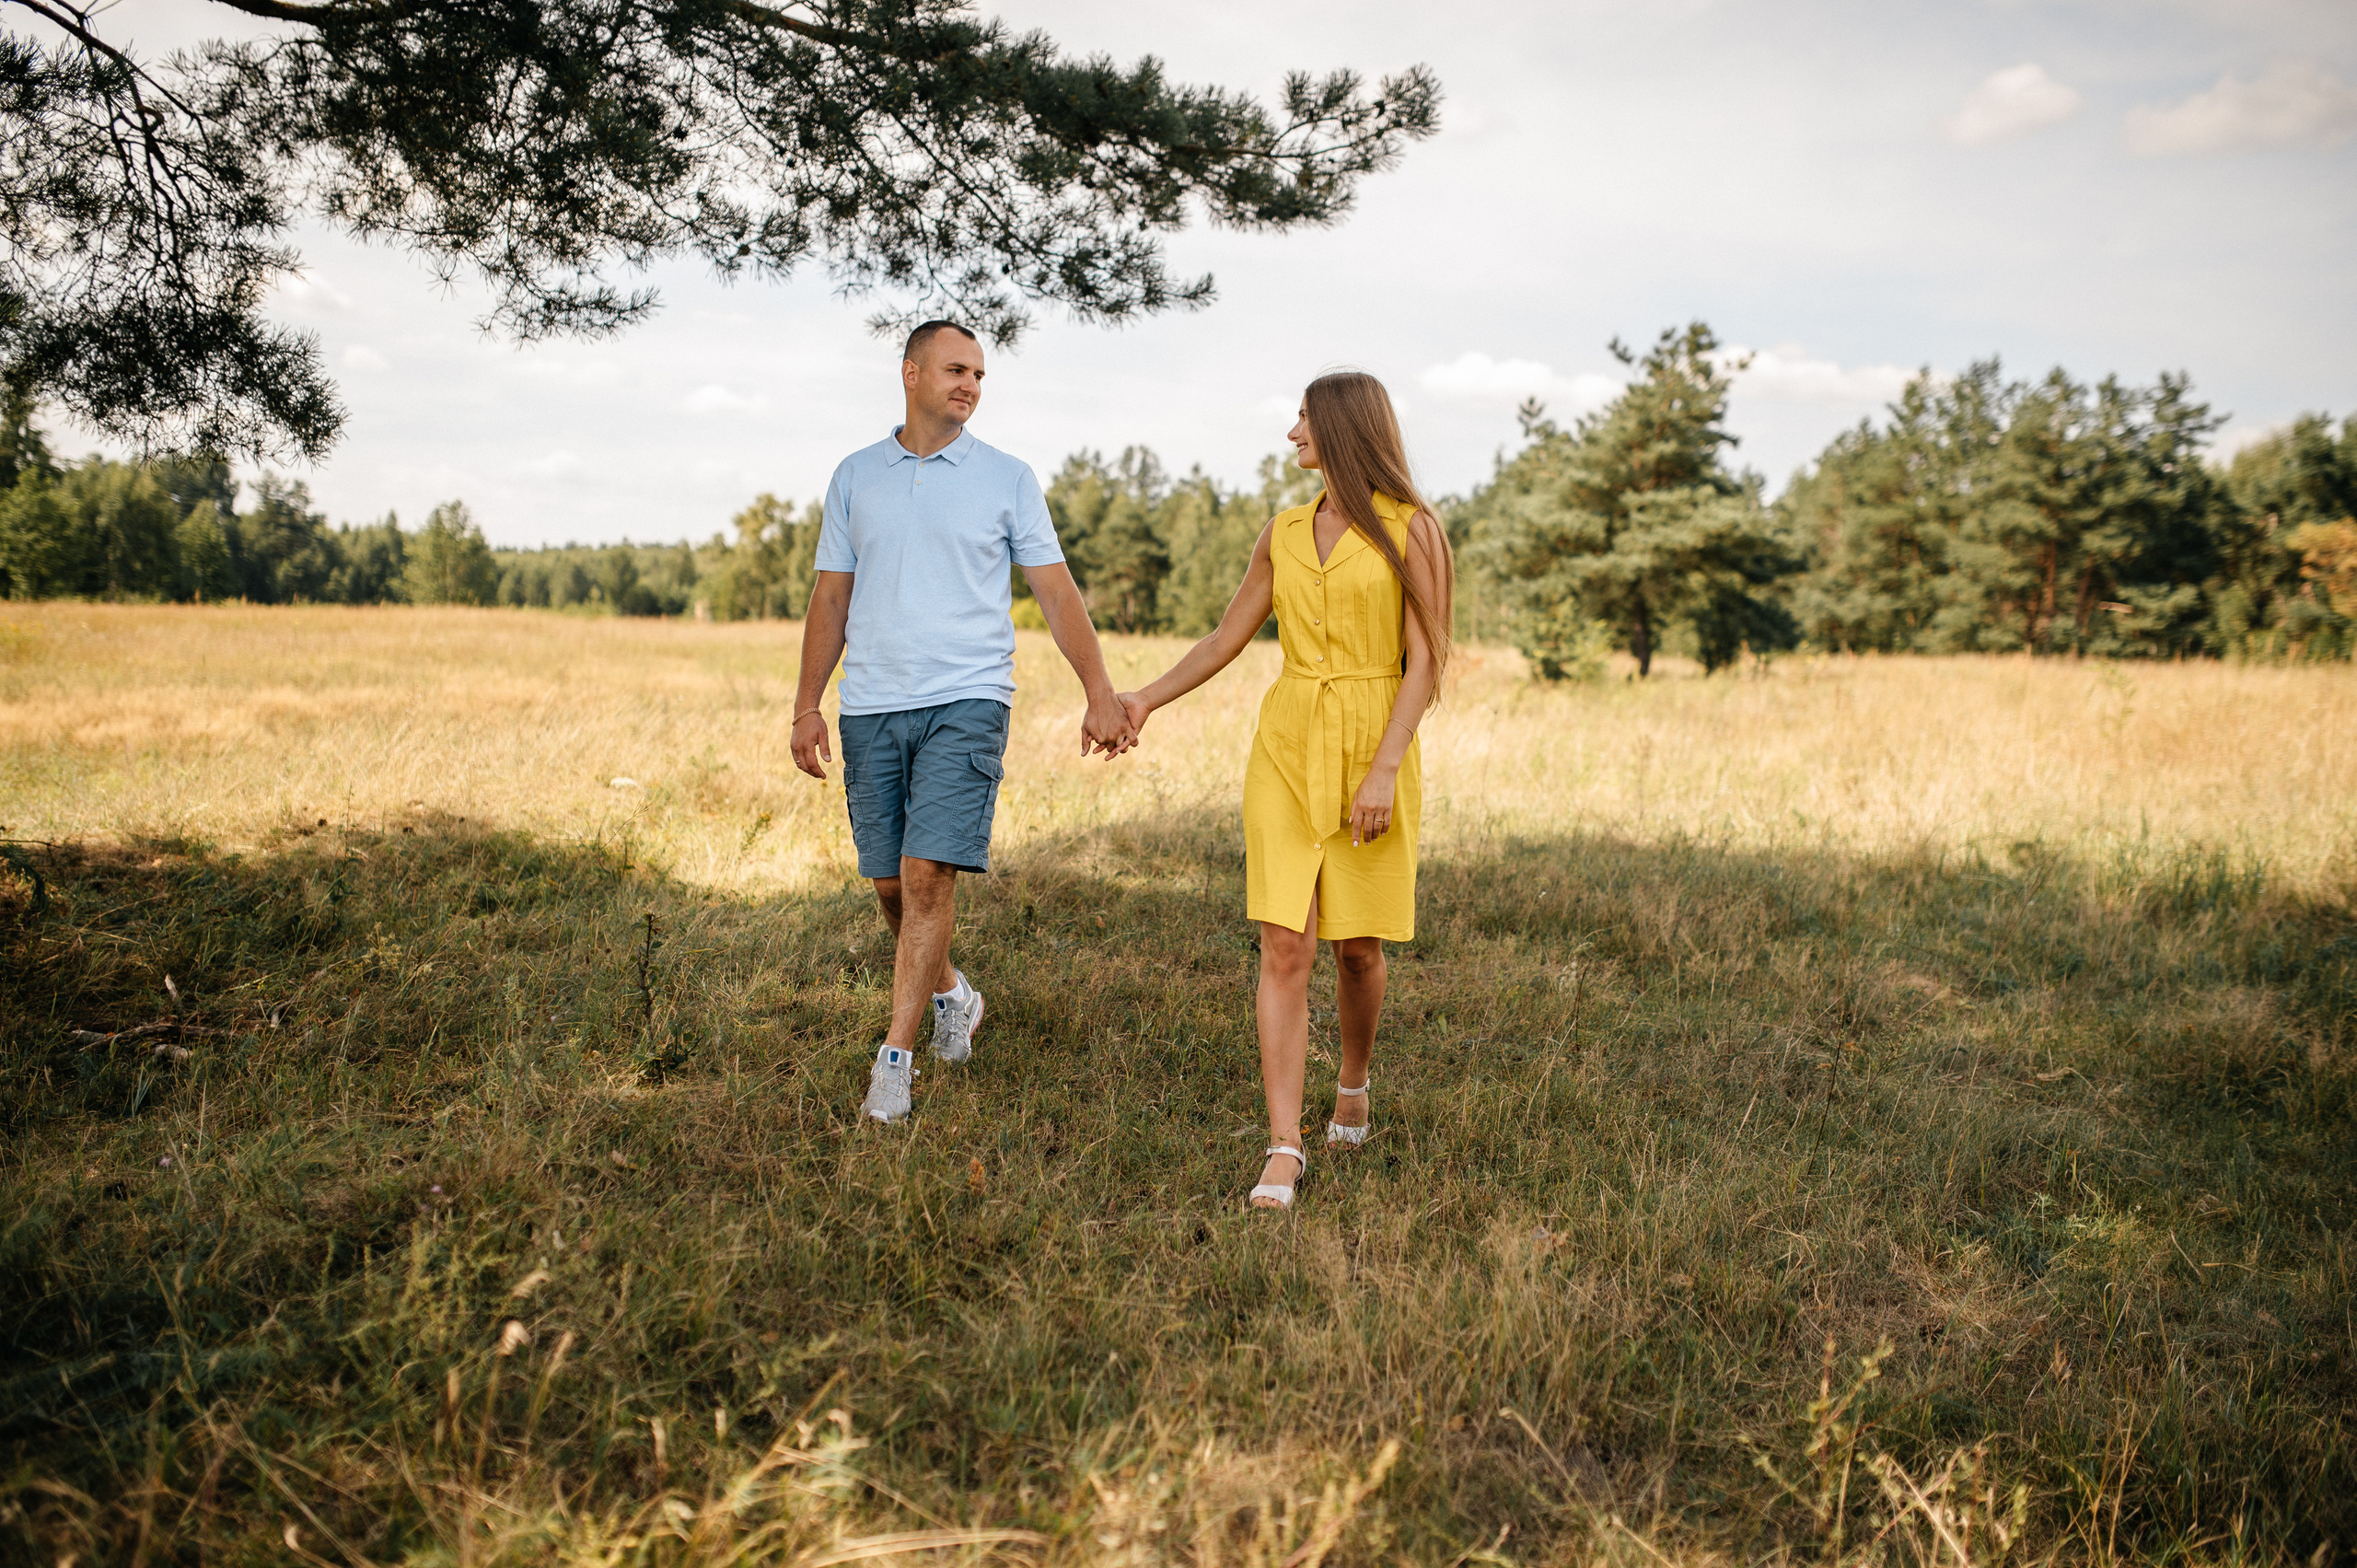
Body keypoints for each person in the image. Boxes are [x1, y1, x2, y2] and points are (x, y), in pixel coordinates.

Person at [1118, 371, 1453, 1209]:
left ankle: (1354, 1079)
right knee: (1284, 944)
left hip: (1376, 740)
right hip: (1287, 743)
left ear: (1342, 427)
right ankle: (1284, 1144)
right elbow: (1226, 637)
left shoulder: (1415, 533)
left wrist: (1383, 765)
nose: (1290, 431)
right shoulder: (1284, 532)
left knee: (1359, 948)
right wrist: (1143, 701)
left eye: (1303, 418)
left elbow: (1427, 663)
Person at [792, 320, 1135, 1123]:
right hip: (873, 702)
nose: (971, 385)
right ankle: (953, 992)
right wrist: (809, 702)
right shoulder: (854, 476)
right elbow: (831, 597)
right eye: (956, 370)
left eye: (980, 374)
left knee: (926, 877)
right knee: (889, 885)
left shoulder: (1007, 478)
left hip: (969, 699)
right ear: (910, 373)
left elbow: (1056, 590)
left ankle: (894, 1062)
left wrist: (1100, 691)